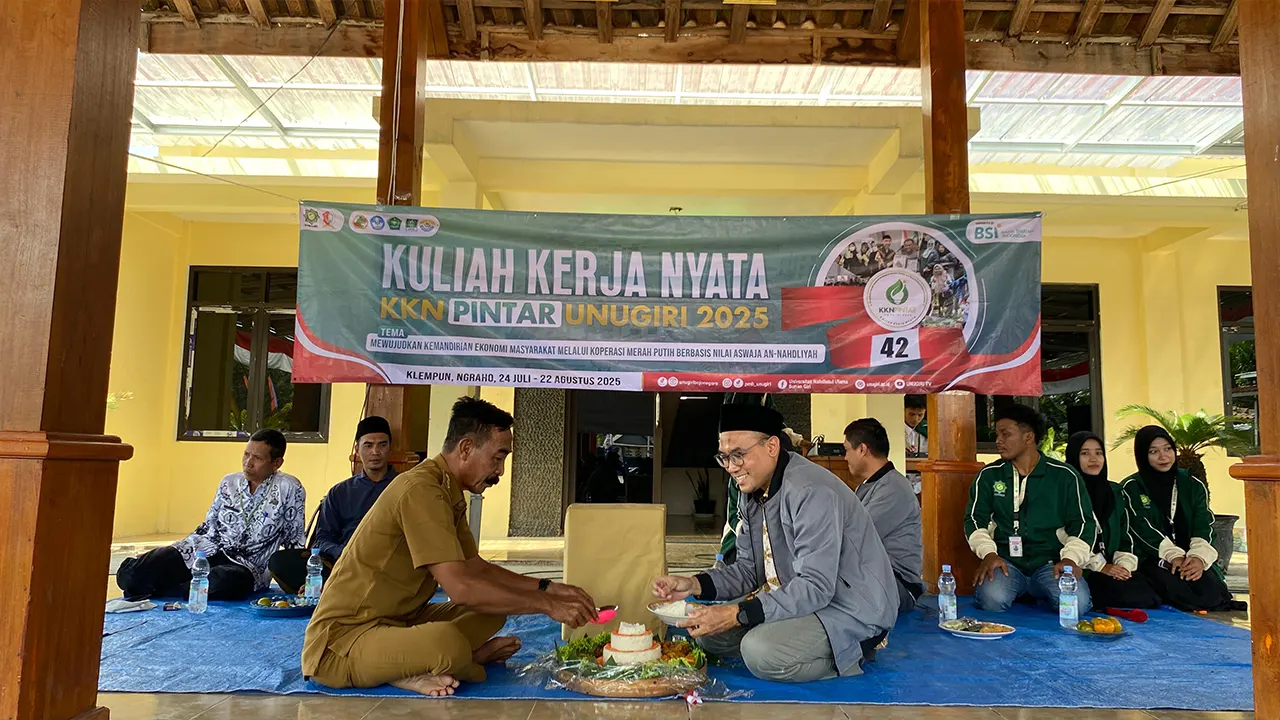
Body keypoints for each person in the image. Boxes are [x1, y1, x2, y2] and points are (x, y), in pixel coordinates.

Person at [303, 397, 598, 697]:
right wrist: (547, 606)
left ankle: (416, 663)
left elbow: (477, 569)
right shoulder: (421, 489)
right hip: (342, 642)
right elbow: (461, 588)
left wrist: (548, 588)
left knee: (494, 611)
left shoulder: (446, 489)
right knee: (447, 642)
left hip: (400, 623)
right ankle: (448, 664)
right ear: (466, 448)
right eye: (497, 458)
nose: (501, 471)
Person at [652, 404, 898, 683]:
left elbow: (816, 586)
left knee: (760, 651)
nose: (731, 467)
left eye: (738, 455)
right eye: (724, 457)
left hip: (851, 607)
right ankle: (791, 642)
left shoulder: (810, 491)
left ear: (771, 447)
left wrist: (737, 614)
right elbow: (748, 569)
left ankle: (853, 650)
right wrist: (694, 584)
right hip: (800, 599)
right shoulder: (754, 490)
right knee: (711, 637)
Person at [116, 429, 305, 602]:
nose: (248, 463)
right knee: (136, 572)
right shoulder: (229, 482)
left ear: (276, 463)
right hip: (205, 549)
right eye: (246, 454)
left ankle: (168, 587)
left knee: (224, 582)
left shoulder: (289, 487)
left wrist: (297, 578)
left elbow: (293, 540)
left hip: (247, 565)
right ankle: (179, 587)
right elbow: (208, 525)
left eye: (257, 458)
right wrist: (177, 549)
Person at [964, 404, 1096, 614]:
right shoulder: (989, 475)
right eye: (997, 434)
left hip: (1051, 564)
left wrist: (1071, 559)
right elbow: (974, 520)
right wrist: (988, 554)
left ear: (1028, 437)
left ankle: (1039, 592)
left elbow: (1083, 524)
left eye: (1005, 434)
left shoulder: (1064, 476)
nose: (998, 440)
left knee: (1076, 605)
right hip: (1006, 564)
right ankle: (1024, 591)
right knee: (992, 600)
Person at [269, 416, 399, 594]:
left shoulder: (405, 487)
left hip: (388, 564)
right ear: (357, 449)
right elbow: (322, 539)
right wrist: (345, 552)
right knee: (280, 561)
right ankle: (337, 585)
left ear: (390, 448)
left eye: (382, 445)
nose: (375, 452)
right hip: (343, 562)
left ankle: (336, 589)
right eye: (368, 445)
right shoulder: (340, 492)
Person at [1120, 426, 1239, 612]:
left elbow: (1203, 523)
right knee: (1172, 590)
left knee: (1213, 595)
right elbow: (1140, 528)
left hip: (1190, 555)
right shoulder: (1132, 487)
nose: (1163, 456)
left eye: (1167, 449)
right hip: (1154, 557)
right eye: (1154, 451)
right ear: (1142, 455)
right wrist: (1173, 555)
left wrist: (1197, 558)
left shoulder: (1191, 484)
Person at [1065, 432, 1161, 610]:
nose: (1094, 459)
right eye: (1085, 453)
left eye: (1099, 453)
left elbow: (1126, 534)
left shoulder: (1115, 492)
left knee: (1147, 594)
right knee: (1117, 595)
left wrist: (1123, 566)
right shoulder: (1065, 491)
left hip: (1113, 566)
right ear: (1073, 457)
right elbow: (1062, 535)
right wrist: (1100, 566)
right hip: (1082, 567)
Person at [843, 418, 924, 613]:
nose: (845, 457)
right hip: (874, 577)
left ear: (862, 449)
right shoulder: (870, 485)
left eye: (846, 450)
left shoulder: (893, 488)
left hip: (897, 584)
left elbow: (854, 538)